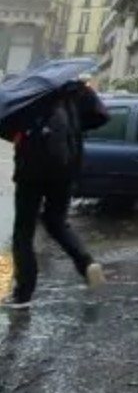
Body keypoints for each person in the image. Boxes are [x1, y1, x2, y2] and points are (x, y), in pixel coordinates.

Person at [2, 81, 108, 309]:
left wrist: (20, 136)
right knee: (57, 222)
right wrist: (77, 127)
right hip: (65, 169)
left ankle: (24, 293)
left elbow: (5, 123)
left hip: (30, 171)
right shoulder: (76, 91)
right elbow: (101, 116)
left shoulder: (30, 94)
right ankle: (86, 263)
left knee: (23, 231)